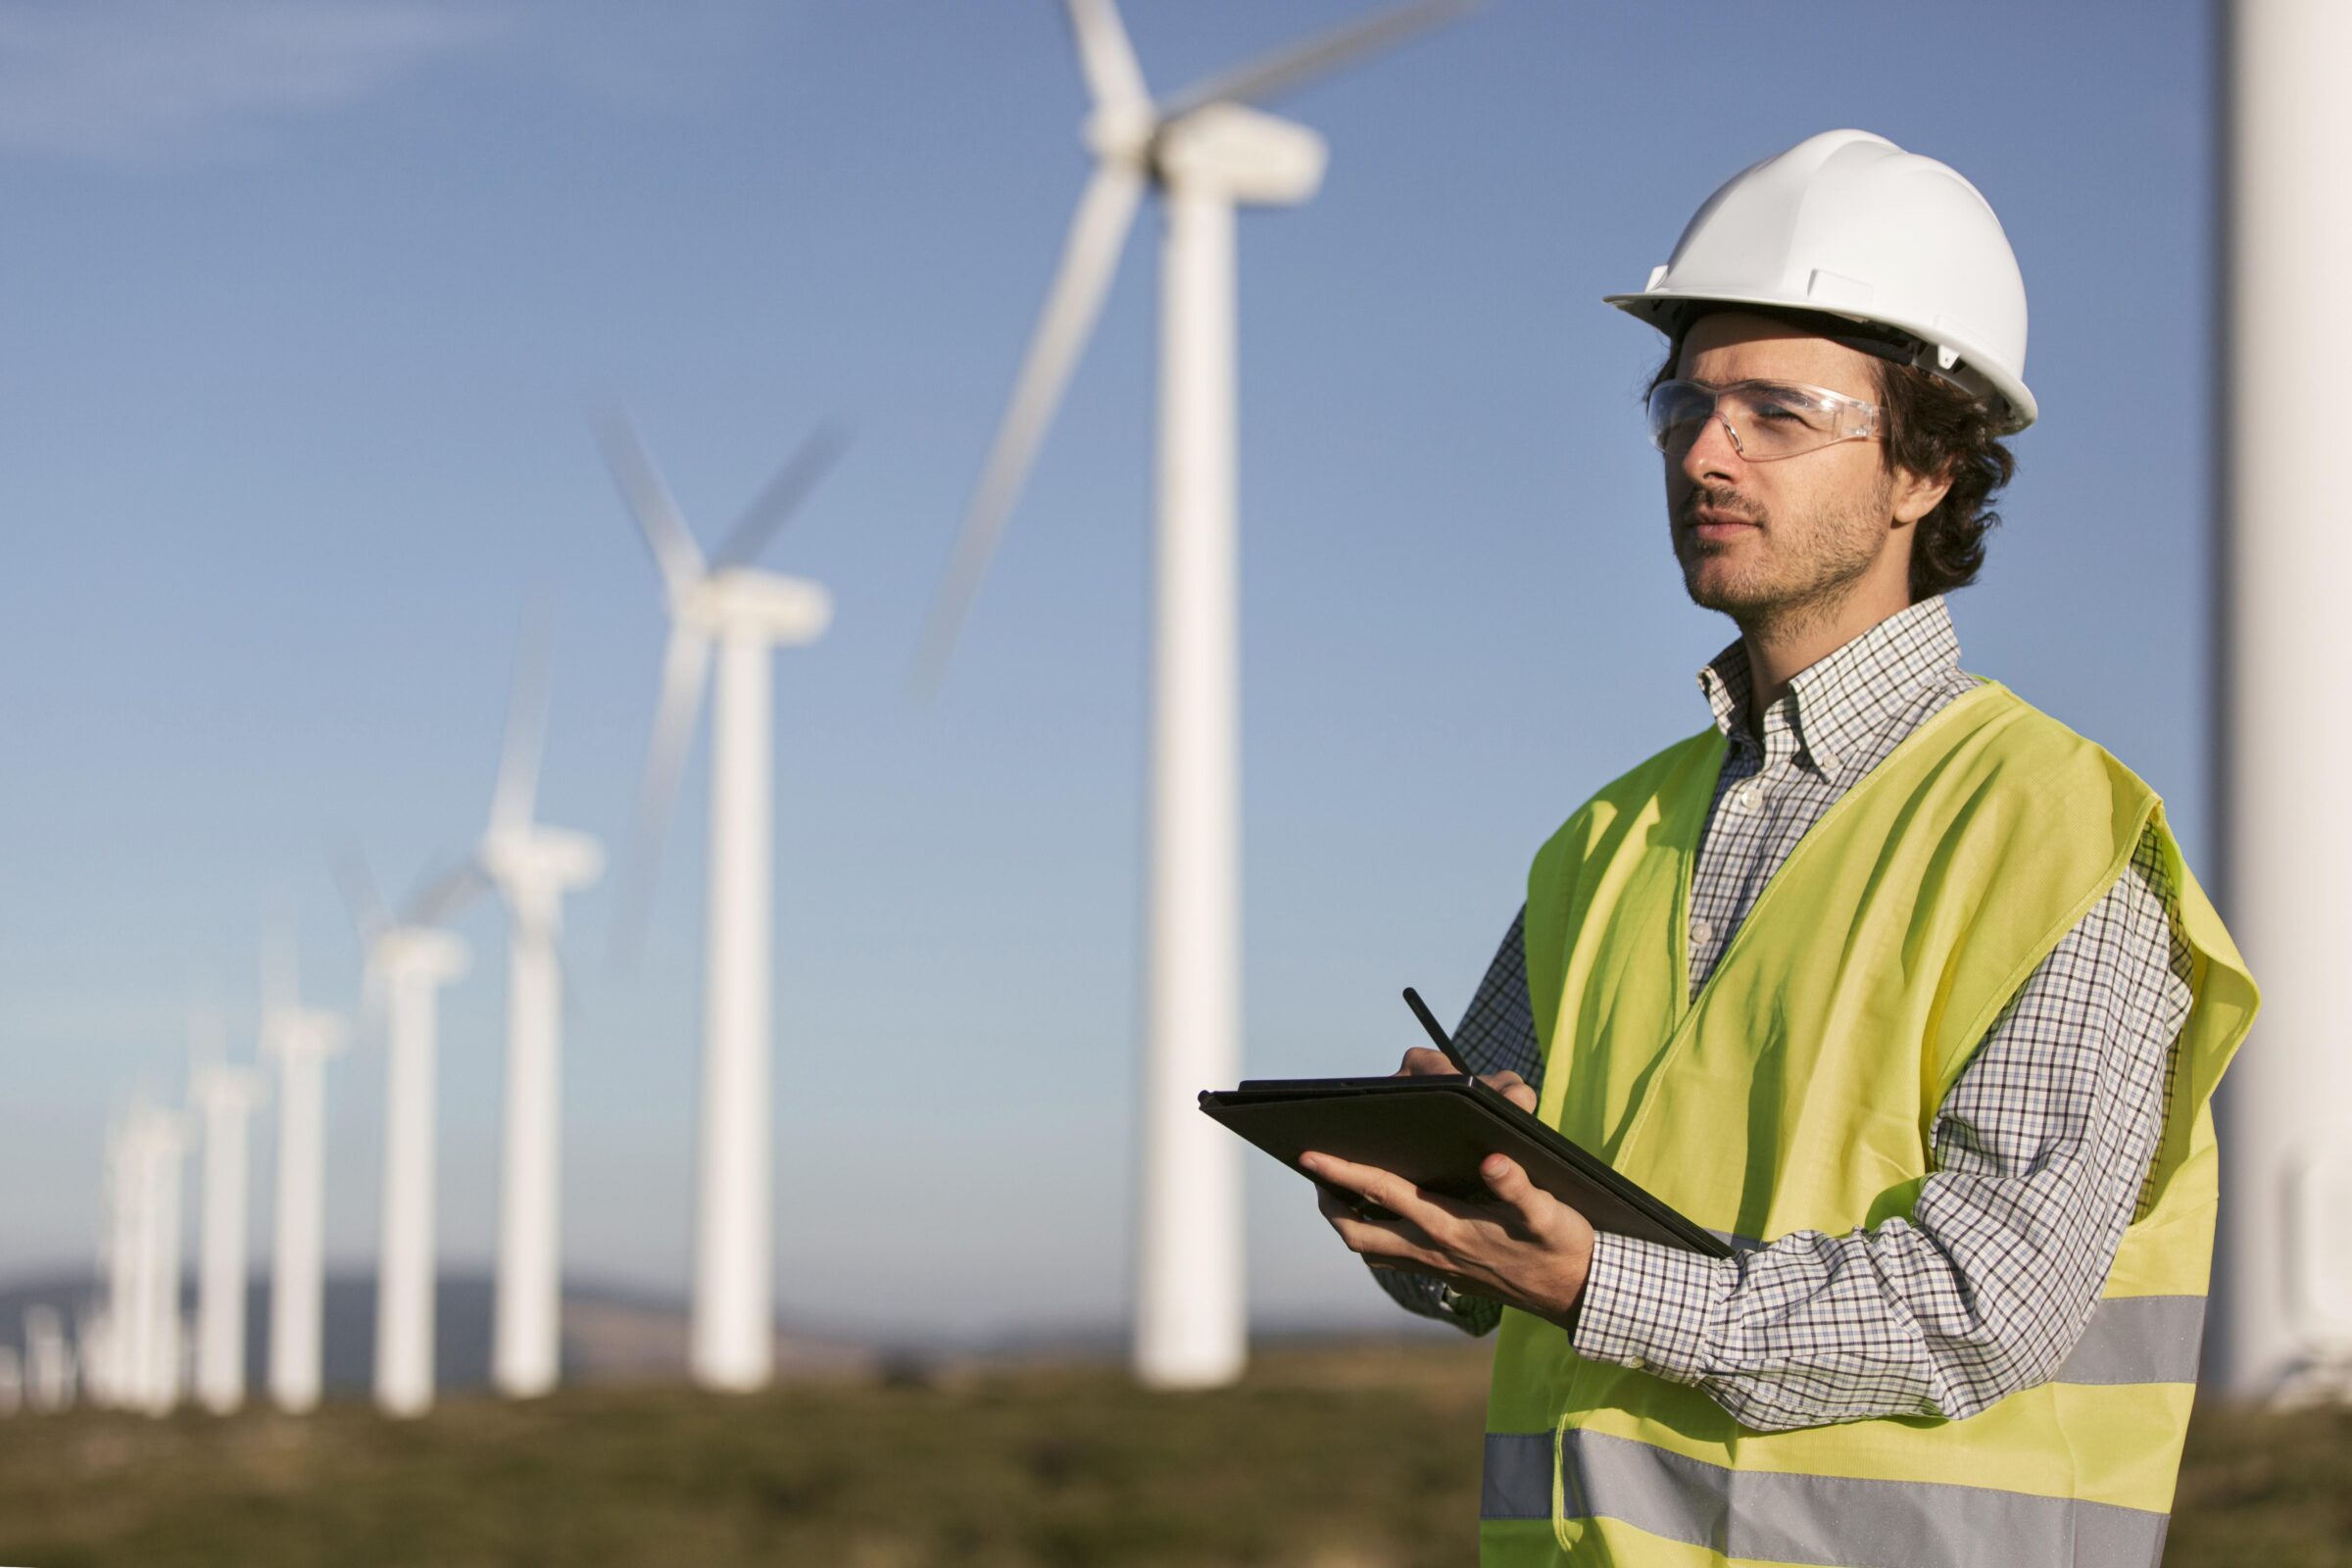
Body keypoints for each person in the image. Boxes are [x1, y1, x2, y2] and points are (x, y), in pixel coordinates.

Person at [1300, 129, 2261, 1568]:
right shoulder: (1605, 840)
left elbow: (1981, 1300)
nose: (1704, 450)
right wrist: (1419, 1208)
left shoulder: (2059, 831)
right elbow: (1508, 1270)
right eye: (1683, 401)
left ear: (1926, 468)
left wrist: (1605, 1290)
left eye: (1776, 412)